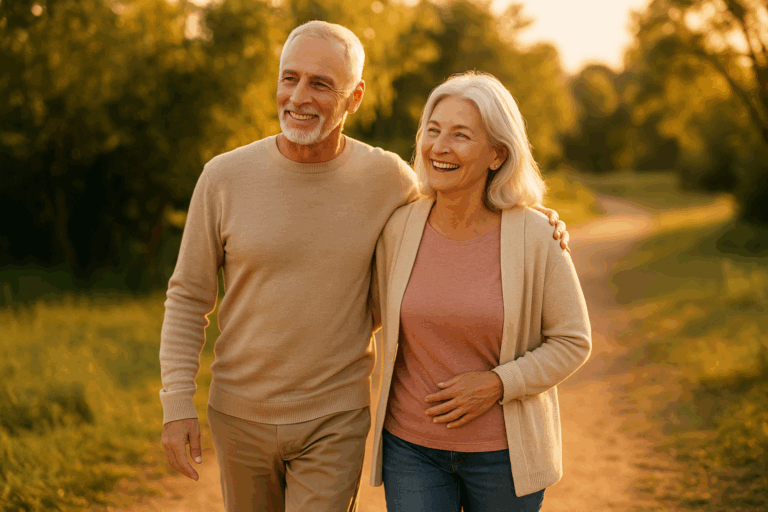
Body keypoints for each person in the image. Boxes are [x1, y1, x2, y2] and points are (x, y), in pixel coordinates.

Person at [159, 22, 568, 512]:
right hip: (237, 414)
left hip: (336, 416)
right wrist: (177, 402)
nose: (299, 97)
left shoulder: (387, 179)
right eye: (290, 78)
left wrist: (527, 216)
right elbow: (188, 297)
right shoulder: (223, 177)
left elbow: (458, 199)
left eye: (321, 84)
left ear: (354, 97)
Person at [369, 71, 592, 512]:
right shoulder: (398, 227)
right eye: (433, 130)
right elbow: (360, 312)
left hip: (503, 458)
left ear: (497, 154)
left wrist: (497, 384)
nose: (439, 147)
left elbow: (573, 341)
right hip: (411, 450)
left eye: (460, 135)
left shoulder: (536, 235)